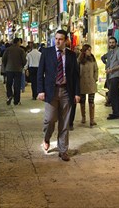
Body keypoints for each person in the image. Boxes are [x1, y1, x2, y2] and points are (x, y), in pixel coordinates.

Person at [37, 30, 81, 162]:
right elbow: (40, 72)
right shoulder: (47, 53)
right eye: (56, 39)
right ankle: (46, 138)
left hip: (66, 91)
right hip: (51, 91)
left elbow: (76, 76)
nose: (57, 41)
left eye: (60, 39)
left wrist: (77, 93)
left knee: (65, 122)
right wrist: (40, 90)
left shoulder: (72, 55)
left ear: (66, 40)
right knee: (50, 119)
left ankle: (63, 150)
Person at [78, 44, 98, 127]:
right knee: (82, 102)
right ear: (84, 51)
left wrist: (95, 78)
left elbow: (96, 69)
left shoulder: (92, 59)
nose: (90, 52)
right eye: (88, 50)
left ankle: (92, 120)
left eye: (90, 50)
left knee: (91, 102)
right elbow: (77, 71)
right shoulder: (79, 60)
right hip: (82, 83)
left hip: (91, 83)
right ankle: (83, 117)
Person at [2, 38, 27, 105]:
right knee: (17, 85)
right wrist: (21, 65)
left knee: (9, 83)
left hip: (9, 69)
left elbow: (4, 59)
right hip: (18, 69)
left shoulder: (8, 49)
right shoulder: (21, 50)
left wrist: (6, 65)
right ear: (18, 42)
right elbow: (24, 61)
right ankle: (16, 100)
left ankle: (9, 95)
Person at [105, 37, 119, 120]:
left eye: (113, 42)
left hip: (116, 75)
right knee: (114, 94)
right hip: (111, 75)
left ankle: (116, 113)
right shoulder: (111, 52)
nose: (111, 44)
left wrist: (112, 70)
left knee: (113, 94)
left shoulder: (118, 52)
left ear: (116, 43)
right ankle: (116, 112)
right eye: (110, 42)